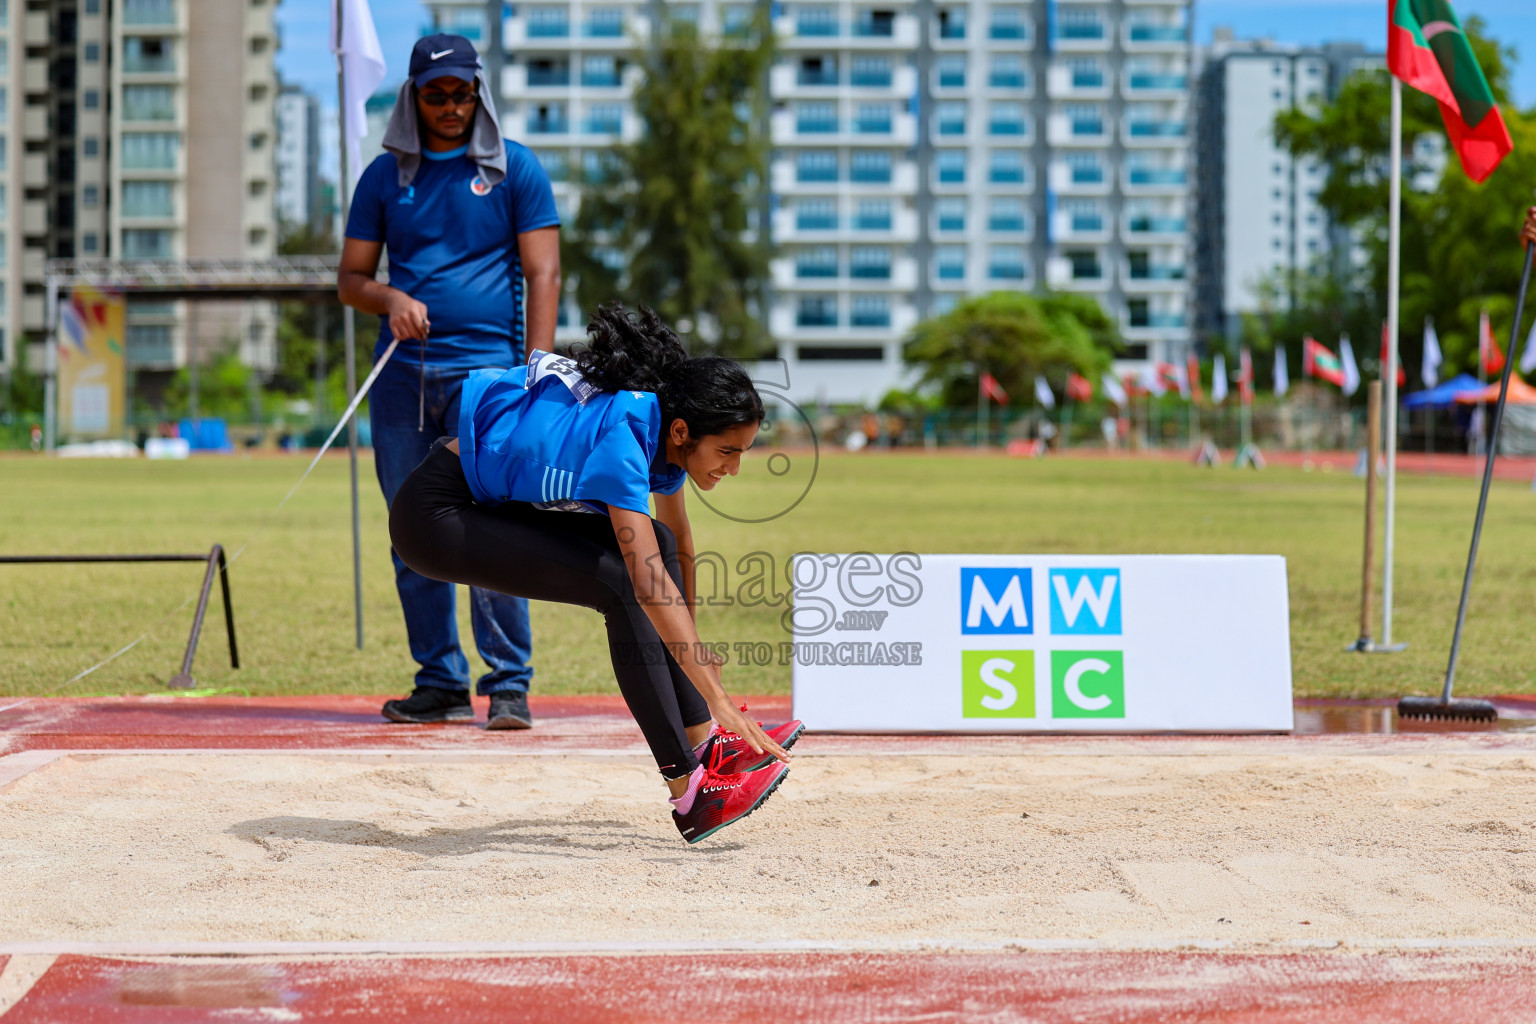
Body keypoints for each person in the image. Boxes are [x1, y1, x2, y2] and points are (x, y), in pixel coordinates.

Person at [387, 304, 803, 843]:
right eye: (726, 451)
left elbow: (676, 551)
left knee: (661, 547)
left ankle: (706, 743)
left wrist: (696, 656)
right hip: (436, 515)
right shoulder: (625, 438)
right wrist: (717, 694)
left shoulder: (665, 440)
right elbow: (648, 578)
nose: (733, 467)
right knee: (624, 584)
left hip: (483, 502)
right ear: (684, 431)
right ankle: (690, 794)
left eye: (743, 452)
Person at [338, 34, 561, 730]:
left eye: (462, 92)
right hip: (403, 380)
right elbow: (350, 280)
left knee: (496, 525)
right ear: (412, 96)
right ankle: (438, 679)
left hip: (489, 383)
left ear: (479, 92)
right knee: (415, 530)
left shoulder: (514, 169)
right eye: (435, 94)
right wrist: (389, 301)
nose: (450, 106)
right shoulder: (384, 177)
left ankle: (509, 684)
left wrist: (536, 371)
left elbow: (544, 274)